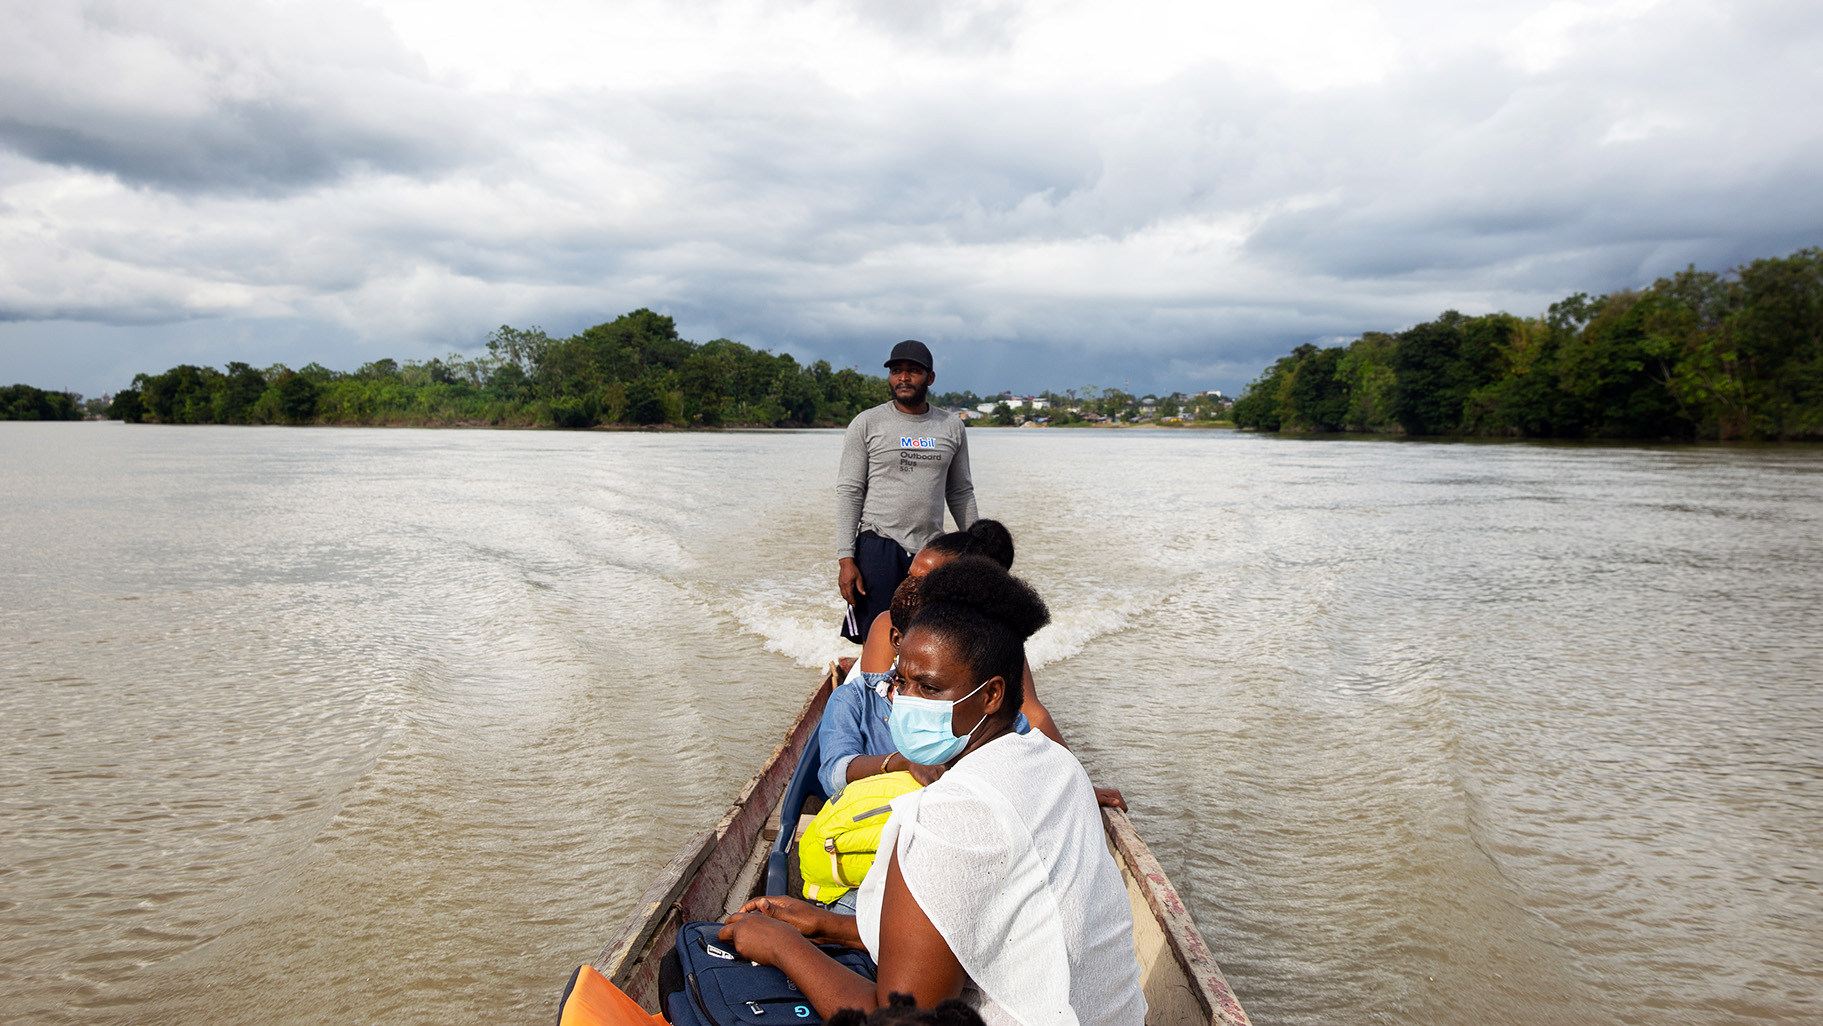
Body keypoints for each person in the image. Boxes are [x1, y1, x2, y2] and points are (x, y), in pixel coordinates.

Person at [721, 557, 1147, 1026]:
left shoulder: (945, 816)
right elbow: (977, 924)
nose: (905, 702)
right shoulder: (1059, 766)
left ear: (991, 695)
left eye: (930, 687)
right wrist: (829, 926)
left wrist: (784, 947)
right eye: (901, 682)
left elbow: (904, 1021)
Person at [836, 340, 977, 644]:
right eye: (897, 371)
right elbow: (850, 491)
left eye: (913, 371)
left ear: (930, 377)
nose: (903, 377)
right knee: (878, 635)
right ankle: (874, 688)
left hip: (930, 551)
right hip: (879, 546)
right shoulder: (867, 423)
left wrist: (979, 548)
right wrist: (846, 559)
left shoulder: (951, 426)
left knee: (930, 635)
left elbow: (960, 491)